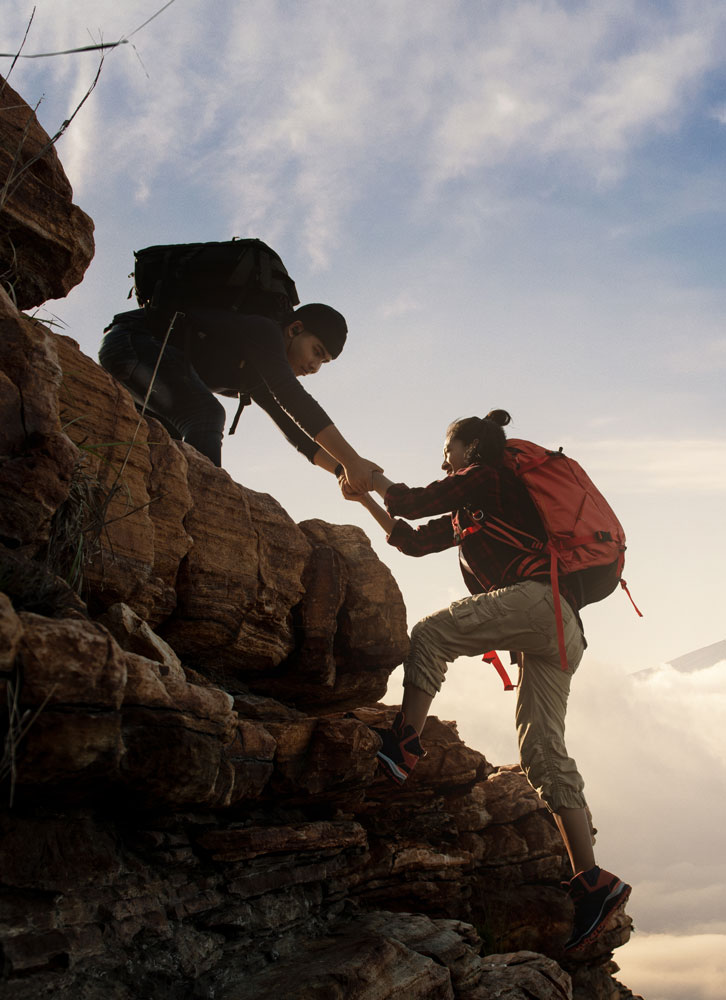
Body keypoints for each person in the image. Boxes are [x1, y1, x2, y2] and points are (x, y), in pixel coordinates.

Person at [340, 408, 631, 952]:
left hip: (538, 605)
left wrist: (367, 473)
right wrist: (366, 503)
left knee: (428, 635)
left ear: (471, 448)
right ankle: (592, 881)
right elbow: (411, 538)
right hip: (561, 628)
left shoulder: (488, 476)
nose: (443, 460)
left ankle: (402, 745)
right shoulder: (474, 506)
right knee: (543, 753)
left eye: (448, 451)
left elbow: (408, 499)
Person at [98, 302, 380, 491]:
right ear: (295, 329)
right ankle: (207, 512)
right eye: (317, 352)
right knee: (206, 414)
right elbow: (293, 398)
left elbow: (294, 430)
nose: (314, 367)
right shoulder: (264, 330)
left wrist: (341, 470)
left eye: (324, 362)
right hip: (131, 343)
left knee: (166, 446)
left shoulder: (256, 372)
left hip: (152, 367)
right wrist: (352, 460)